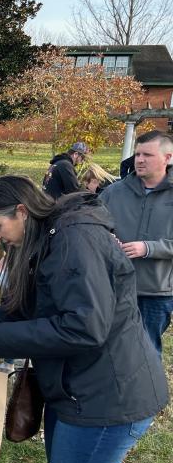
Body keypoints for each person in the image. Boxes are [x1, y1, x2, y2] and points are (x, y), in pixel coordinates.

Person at [0, 175, 168, 463]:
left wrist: (3, 340)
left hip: (105, 400)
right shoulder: (45, 239)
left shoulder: (75, 243)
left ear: (22, 212)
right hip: (78, 392)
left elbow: (85, 326)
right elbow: (22, 302)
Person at [101, 130, 173, 357]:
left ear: (168, 157)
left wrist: (148, 248)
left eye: (147, 155)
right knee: (108, 349)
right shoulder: (114, 192)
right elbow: (92, 224)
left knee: (146, 352)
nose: (140, 160)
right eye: (137, 154)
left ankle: (146, 393)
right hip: (114, 286)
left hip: (156, 291)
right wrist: (104, 236)